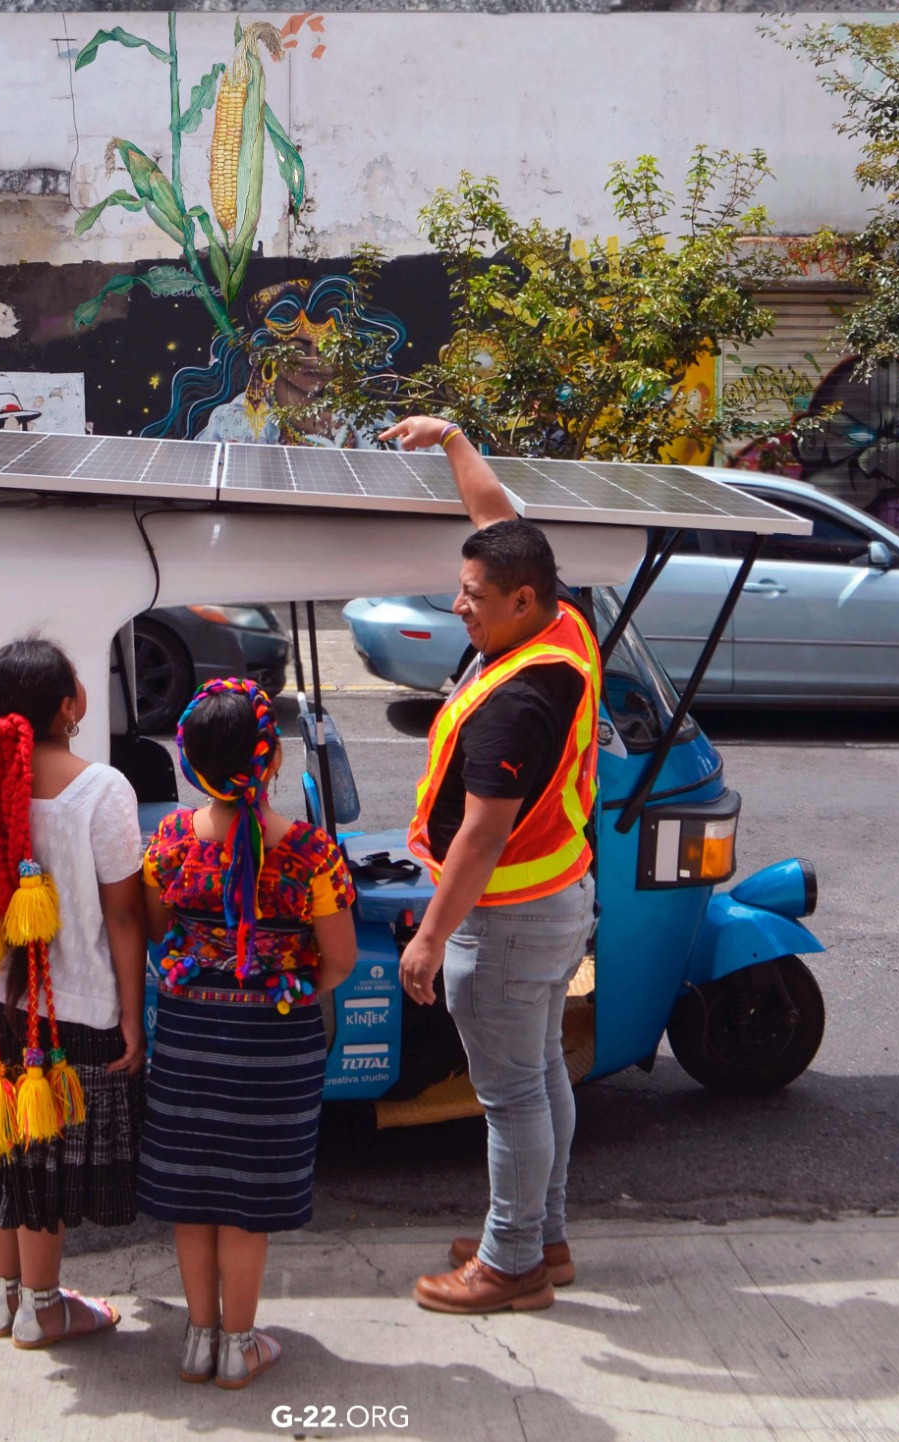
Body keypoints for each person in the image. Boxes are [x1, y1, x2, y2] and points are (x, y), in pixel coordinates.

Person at [378, 414, 601, 1316]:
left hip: (503, 918)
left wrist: (431, 937)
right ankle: (538, 1237)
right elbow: (498, 519)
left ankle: (511, 1269)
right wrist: (455, 442)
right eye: (460, 587)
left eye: (473, 596)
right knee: (542, 1073)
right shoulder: (561, 624)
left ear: (521, 601)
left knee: (509, 1095)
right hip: (557, 898)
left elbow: (479, 837)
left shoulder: (517, 701)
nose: (458, 606)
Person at [137, 679, 358, 1388]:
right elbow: (342, 959)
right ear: (268, 762)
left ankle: (199, 1339)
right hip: (275, 1041)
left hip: (189, 1033)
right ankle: (240, 1344)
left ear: (191, 763)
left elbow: (156, 934)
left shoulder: (168, 843)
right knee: (245, 1198)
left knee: (194, 1186)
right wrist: (282, 987)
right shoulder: (312, 853)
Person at [0, 637, 148, 1347]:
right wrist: (133, 1012)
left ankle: (2, 1296)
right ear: (69, 705)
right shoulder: (102, 790)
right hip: (72, 1007)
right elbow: (123, 913)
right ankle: (44, 1308)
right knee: (44, 1151)